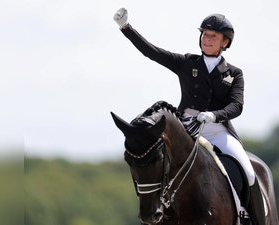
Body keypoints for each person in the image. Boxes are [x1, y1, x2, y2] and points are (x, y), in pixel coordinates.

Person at [113, 8, 265, 225]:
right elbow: (153, 52)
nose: (207, 39)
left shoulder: (234, 73)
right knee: (156, 164)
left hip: (217, 132)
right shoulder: (186, 63)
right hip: (186, 130)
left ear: (225, 42)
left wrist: (214, 115)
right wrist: (126, 28)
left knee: (249, 173)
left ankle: (249, 218)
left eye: (213, 36)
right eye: (204, 34)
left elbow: (237, 106)